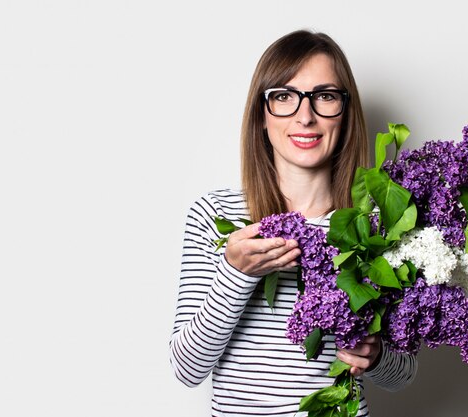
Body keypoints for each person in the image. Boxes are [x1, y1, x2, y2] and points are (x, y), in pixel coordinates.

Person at [169, 29, 417, 417]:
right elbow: (187, 368)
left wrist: (377, 354)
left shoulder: (376, 227)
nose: (305, 116)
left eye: (325, 96)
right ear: (262, 116)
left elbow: (402, 375)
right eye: (284, 96)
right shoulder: (218, 216)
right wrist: (237, 273)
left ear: (345, 114)